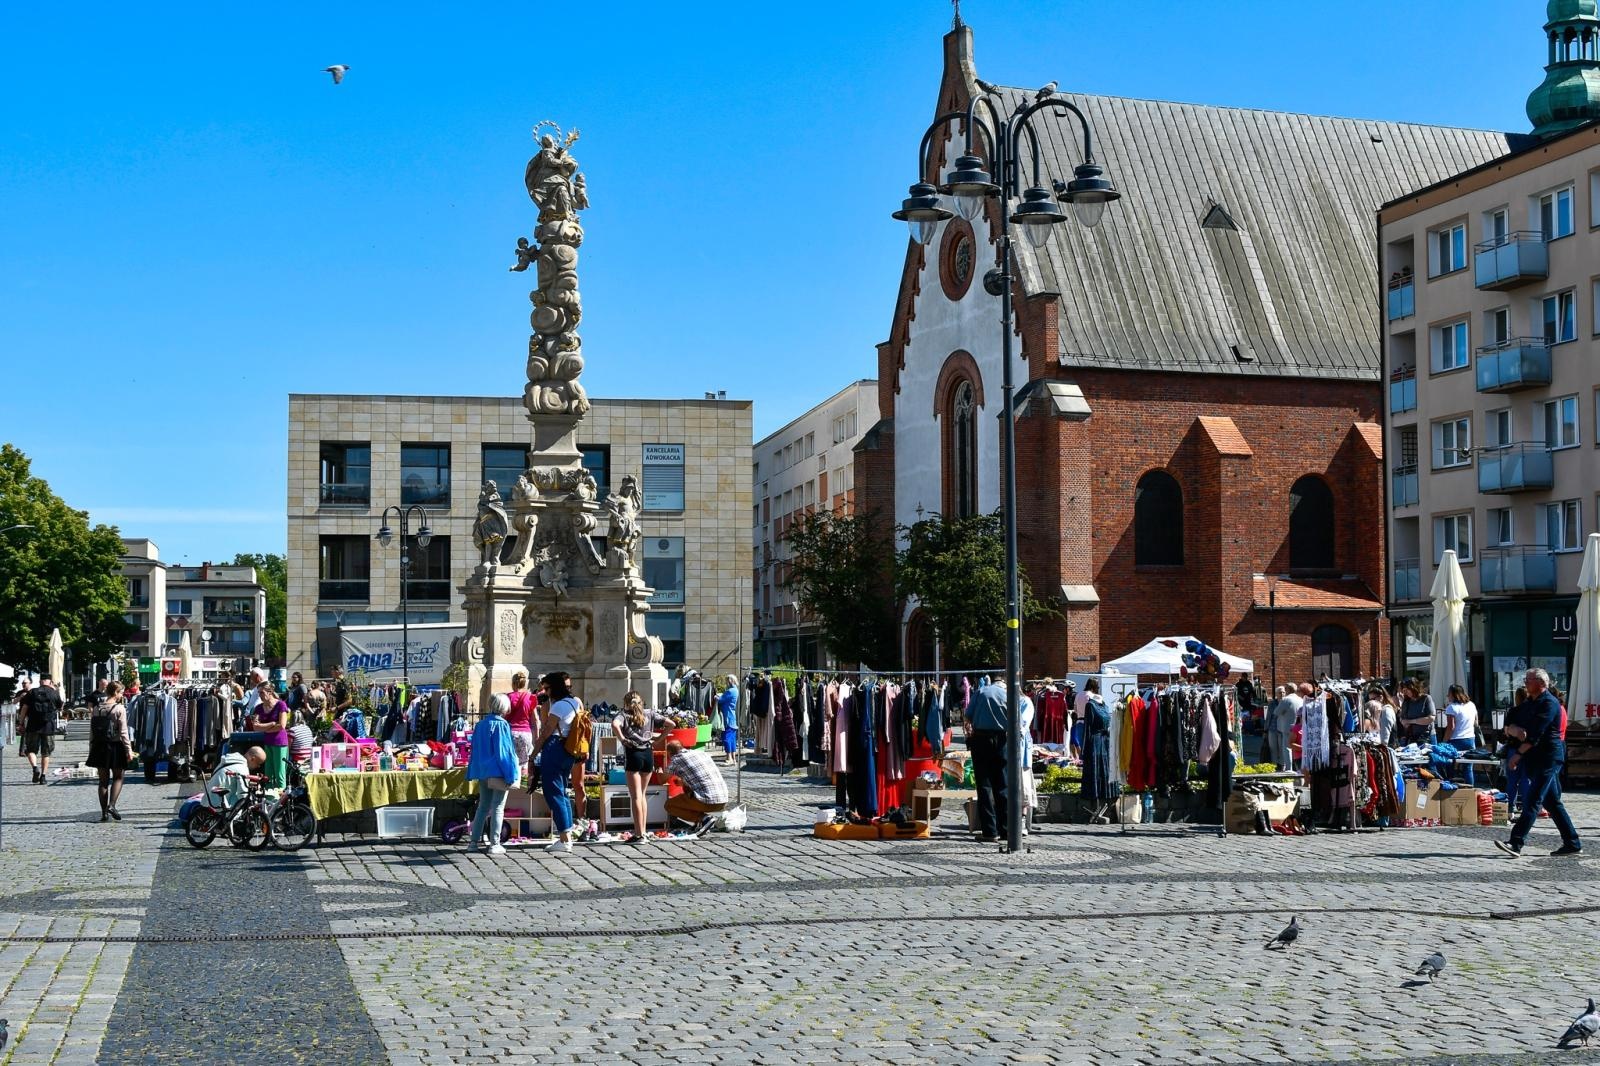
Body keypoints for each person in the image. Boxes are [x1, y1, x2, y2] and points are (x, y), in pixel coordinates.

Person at [1496, 667, 1581, 858]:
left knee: (1533, 800)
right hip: (1534, 757)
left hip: (1548, 757)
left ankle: (1516, 842)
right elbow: (1512, 717)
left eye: (1529, 679)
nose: (1525, 682)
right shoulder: (1529, 703)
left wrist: (1517, 754)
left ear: (1541, 683)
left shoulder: (1549, 703)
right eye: (1525, 679)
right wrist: (1511, 729)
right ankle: (1572, 842)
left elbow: (1535, 734)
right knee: (1552, 802)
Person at [612, 690, 672, 843]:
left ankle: (639, 834)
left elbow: (614, 725)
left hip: (633, 754)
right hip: (648, 755)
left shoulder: (624, 715)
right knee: (643, 795)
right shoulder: (650, 714)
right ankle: (643, 832)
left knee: (636, 797)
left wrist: (623, 739)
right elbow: (671, 724)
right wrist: (659, 739)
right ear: (641, 702)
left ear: (626, 703)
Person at [467, 693, 521, 856]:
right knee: (498, 807)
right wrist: (510, 774)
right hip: (498, 772)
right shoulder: (502, 725)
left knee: (483, 806)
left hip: (483, 771)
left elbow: (475, 750)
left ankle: (473, 842)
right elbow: (503, 753)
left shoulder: (480, 725)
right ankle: (494, 844)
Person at [534, 671, 581, 854]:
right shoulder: (574, 702)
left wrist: (533, 754)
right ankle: (566, 835)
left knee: (553, 792)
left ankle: (564, 839)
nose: (545, 692)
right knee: (562, 792)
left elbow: (547, 731)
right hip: (568, 749)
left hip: (555, 747)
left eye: (547, 688)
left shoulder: (559, 706)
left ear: (554, 688)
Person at [963, 678, 1010, 842]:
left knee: (984, 785)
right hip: (1001, 739)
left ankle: (990, 831)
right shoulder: (1007, 695)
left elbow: (967, 716)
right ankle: (1006, 830)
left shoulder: (981, 692)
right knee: (1002, 784)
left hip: (981, 738)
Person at [86, 681, 133, 822]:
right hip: (115, 746)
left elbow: (92, 731)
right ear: (116, 693)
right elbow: (123, 732)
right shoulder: (119, 709)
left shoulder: (96, 708)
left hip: (99, 746)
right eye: (121, 693)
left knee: (103, 781)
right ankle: (112, 805)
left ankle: (103, 813)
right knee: (118, 777)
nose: (122, 695)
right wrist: (129, 750)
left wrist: (91, 748)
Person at [662, 738, 727, 836]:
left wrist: (660, 770)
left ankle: (704, 819)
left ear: (669, 753)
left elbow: (662, 780)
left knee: (669, 805)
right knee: (688, 791)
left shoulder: (677, 759)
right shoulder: (701, 753)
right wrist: (684, 783)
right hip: (723, 799)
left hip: (707, 801)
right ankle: (700, 824)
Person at [246, 683, 291, 789]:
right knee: (268, 773)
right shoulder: (258, 708)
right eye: (259, 693)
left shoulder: (281, 705)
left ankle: (281, 795)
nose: (260, 695)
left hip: (280, 743)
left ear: (270, 692)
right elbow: (255, 727)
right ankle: (268, 794)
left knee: (279, 773)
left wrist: (264, 728)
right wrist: (272, 724)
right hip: (267, 742)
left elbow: (282, 726)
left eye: (262, 692)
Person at [19, 677, 63, 784]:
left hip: (33, 726)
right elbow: (60, 707)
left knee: (30, 750)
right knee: (46, 753)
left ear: (40, 682)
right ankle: (43, 777)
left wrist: (20, 723)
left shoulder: (32, 692)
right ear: (50, 682)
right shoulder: (54, 693)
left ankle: (35, 768)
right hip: (48, 726)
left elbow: (24, 708)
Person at [203, 745, 266, 811]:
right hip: (217, 806)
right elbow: (243, 794)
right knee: (240, 807)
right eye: (258, 763)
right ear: (252, 759)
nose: (258, 766)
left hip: (207, 801)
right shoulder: (242, 768)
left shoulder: (231, 761)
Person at [1443, 683, 1480, 785]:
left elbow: (1451, 727)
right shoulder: (1471, 705)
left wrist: (1444, 741)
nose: (1447, 696)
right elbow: (1476, 723)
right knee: (1468, 768)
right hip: (1470, 739)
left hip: (1456, 740)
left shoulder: (1451, 708)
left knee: (1449, 764)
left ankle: (1450, 786)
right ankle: (1470, 789)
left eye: (1449, 694)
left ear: (1453, 695)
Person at [505, 670, 538, 772]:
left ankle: (512, 780)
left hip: (510, 733)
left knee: (510, 762)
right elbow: (535, 720)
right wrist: (536, 736)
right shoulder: (530, 697)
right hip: (525, 733)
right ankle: (523, 780)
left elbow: (504, 716)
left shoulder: (507, 697)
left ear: (513, 683)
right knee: (524, 764)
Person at [1269, 685, 1302, 772]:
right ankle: (1297, 768)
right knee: (1297, 748)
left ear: (1287, 690)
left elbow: (1276, 712)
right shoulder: (1300, 699)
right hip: (1299, 728)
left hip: (1287, 727)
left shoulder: (1286, 700)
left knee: (1287, 748)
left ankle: (1289, 769)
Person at [1398, 678, 1436, 744]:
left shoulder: (1426, 698)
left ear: (1413, 688)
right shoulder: (1406, 701)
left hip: (1427, 736)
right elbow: (1402, 718)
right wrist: (1403, 722)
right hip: (1412, 737)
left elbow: (1431, 718)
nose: (1405, 692)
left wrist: (1411, 721)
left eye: (1407, 689)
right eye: (1403, 690)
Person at [717, 674, 739, 761]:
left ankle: (729, 757)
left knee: (726, 738)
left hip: (727, 717)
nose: (726, 683)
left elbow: (720, 700)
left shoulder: (730, 691)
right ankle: (733, 758)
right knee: (732, 739)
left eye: (727, 681)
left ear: (730, 681)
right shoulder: (736, 690)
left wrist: (716, 696)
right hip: (732, 717)